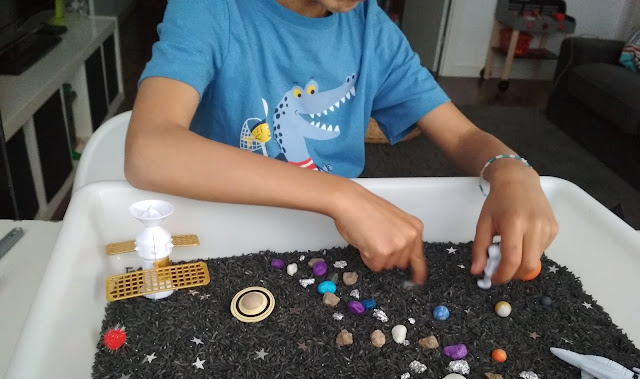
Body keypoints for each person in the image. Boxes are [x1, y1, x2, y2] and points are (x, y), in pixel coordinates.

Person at [125, 0, 558, 286]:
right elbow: (150, 150)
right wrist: (341, 194)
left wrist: (511, 170)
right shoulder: (209, 9)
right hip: (226, 235)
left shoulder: (373, 29)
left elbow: (462, 134)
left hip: (335, 242)